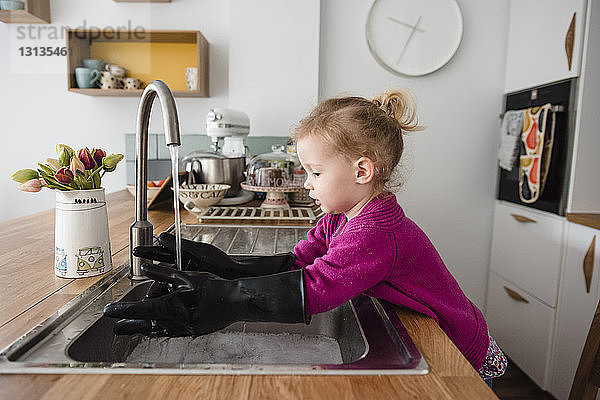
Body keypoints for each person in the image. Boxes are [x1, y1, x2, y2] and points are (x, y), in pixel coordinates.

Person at [104, 89, 506, 386]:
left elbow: (316, 288)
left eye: (315, 172)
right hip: (438, 332)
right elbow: (300, 262)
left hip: (458, 349)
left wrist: (224, 298)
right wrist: (221, 263)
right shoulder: (341, 218)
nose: (307, 183)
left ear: (362, 170)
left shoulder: (375, 231)